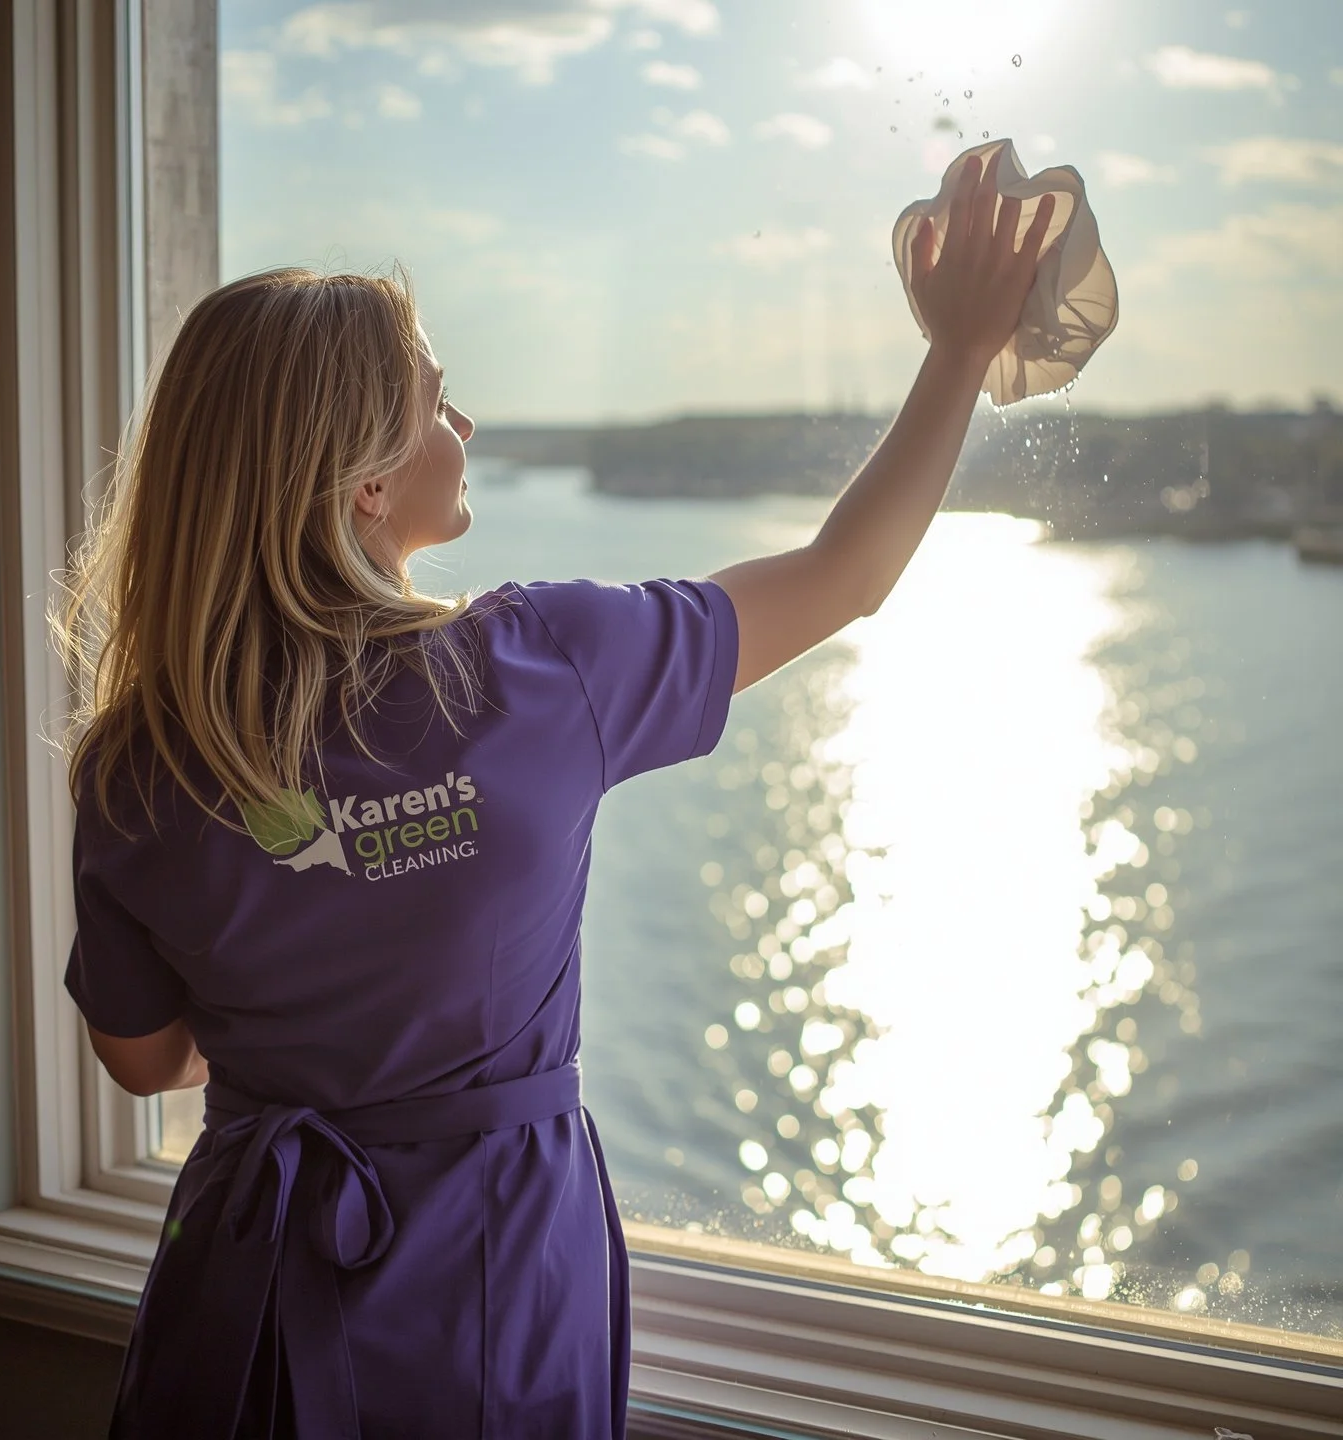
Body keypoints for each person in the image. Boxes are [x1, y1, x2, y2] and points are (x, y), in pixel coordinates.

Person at [55, 149, 1052, 1439]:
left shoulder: (136, 763)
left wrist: (288, 972)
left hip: (242, 1290)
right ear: (361, 481)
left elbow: (145, 1060)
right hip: (491, 1278)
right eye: (436, 399)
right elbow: (848, 572)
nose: (464, 429)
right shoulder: (538, 672)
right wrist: (962, 350)